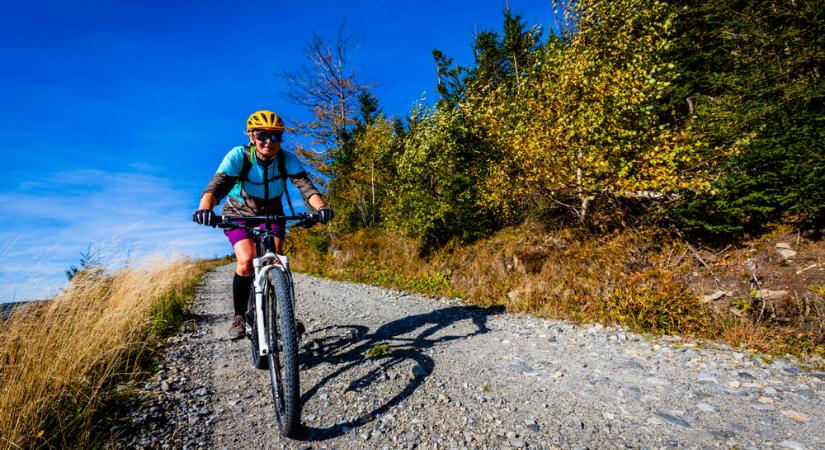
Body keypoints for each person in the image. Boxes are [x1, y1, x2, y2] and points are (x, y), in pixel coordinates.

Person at [193, 110, 333, 339]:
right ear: (251, 136)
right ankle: (239, 316)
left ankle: (285, 314)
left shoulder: (287, 159)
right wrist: (205, 208)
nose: (269, 141)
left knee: (277, 258)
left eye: (275, 136)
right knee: (247, 259)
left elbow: (306, 187)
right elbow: (217, 185)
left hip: (272, 212)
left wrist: (321, 208)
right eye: (262, 135)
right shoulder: (239, 156)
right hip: (239, 212)